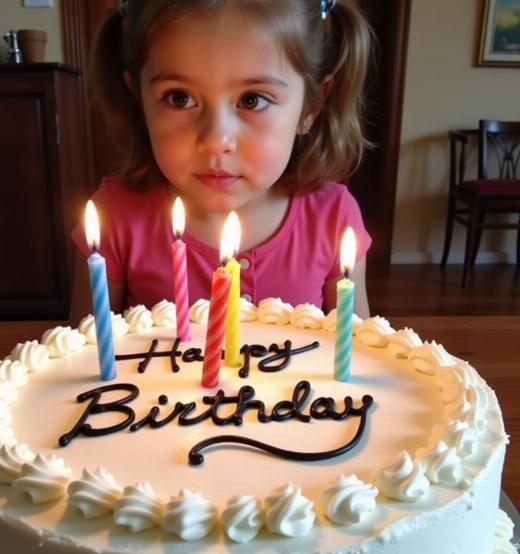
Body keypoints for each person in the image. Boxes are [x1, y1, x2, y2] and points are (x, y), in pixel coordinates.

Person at [70, 0, 373, 324]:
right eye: (179, 97)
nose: (216, 139)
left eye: (252, 99)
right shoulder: (114, 218)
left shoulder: (334, 220)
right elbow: (82, 358)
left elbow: (355, 353)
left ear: (310, 106)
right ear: (140, 100)